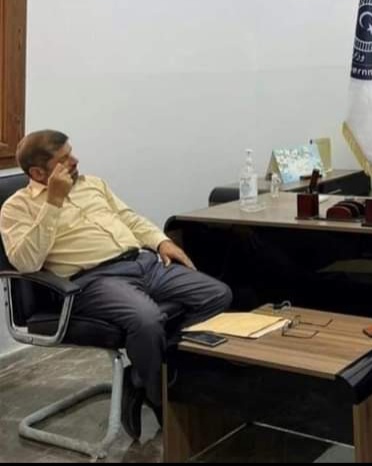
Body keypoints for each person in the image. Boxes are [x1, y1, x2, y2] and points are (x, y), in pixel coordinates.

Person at [0, 130, 240, 440]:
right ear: (38, 173)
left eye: (72, 153)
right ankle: (159, 397)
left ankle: (142, 376)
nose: (75, 161)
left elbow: (129, 218)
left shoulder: (92, 184)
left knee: (217, 295)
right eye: (64, 159)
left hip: (143, 263)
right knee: (147, 320)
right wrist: (54, 202)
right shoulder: (16, 208)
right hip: (94, 281)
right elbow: (26, 262)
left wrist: (161, 242)